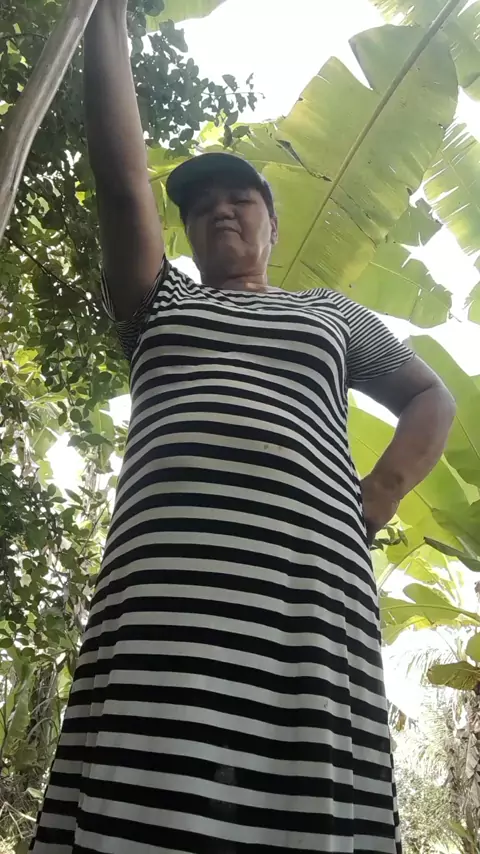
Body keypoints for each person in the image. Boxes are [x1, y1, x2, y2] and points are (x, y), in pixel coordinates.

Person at [30, 1, 456, 853]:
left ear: (272, 221)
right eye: (199, 208)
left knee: (298, 804)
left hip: (307, 597)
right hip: (166, 598)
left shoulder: (330, 313)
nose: (219, 211)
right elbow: (120, 182)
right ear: (184, 234)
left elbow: (430, 397)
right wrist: (107, 18)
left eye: (240, 199)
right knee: (143, 794)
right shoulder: (160, 303)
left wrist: (376, 495)